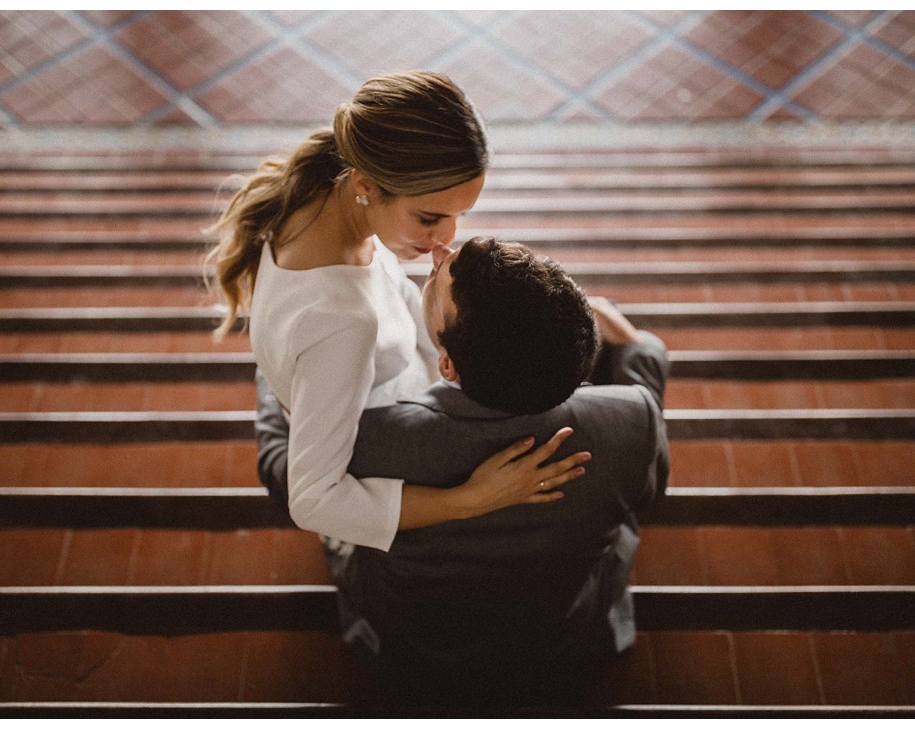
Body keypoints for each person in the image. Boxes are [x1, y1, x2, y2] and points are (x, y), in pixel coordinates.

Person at [256, 237, 671, 706]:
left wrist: (279, 389)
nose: (437, 253)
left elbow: (283, 472)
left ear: (447, 364)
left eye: (438, 276)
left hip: (410, 643)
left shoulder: (371, 440)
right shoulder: (633, 421)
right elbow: (649, 496)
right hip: (566, 632)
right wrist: (640, 346)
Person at [208, 71, 589, 552]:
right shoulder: (344, 324)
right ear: (367, 184)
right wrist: (471, 499)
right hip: (369, 437)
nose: (447, 238)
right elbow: (312, 500)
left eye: (458, 215)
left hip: (355, 385)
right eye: (430, 218)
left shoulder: (326, 186)